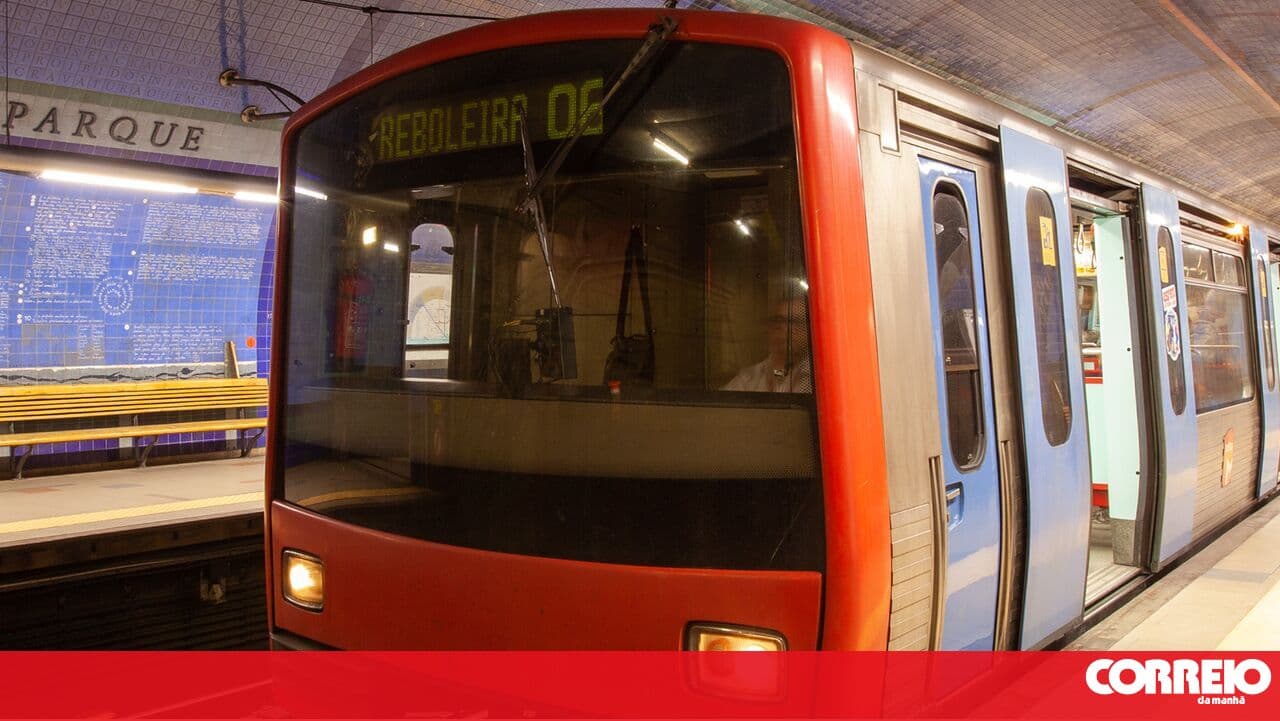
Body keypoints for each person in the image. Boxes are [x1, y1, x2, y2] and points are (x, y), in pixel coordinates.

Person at [723, 297, 812, 393]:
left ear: (809, 329)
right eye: (779, 320)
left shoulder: (815, 378)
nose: (784, 328)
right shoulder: (749, 377)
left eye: (795, 322)